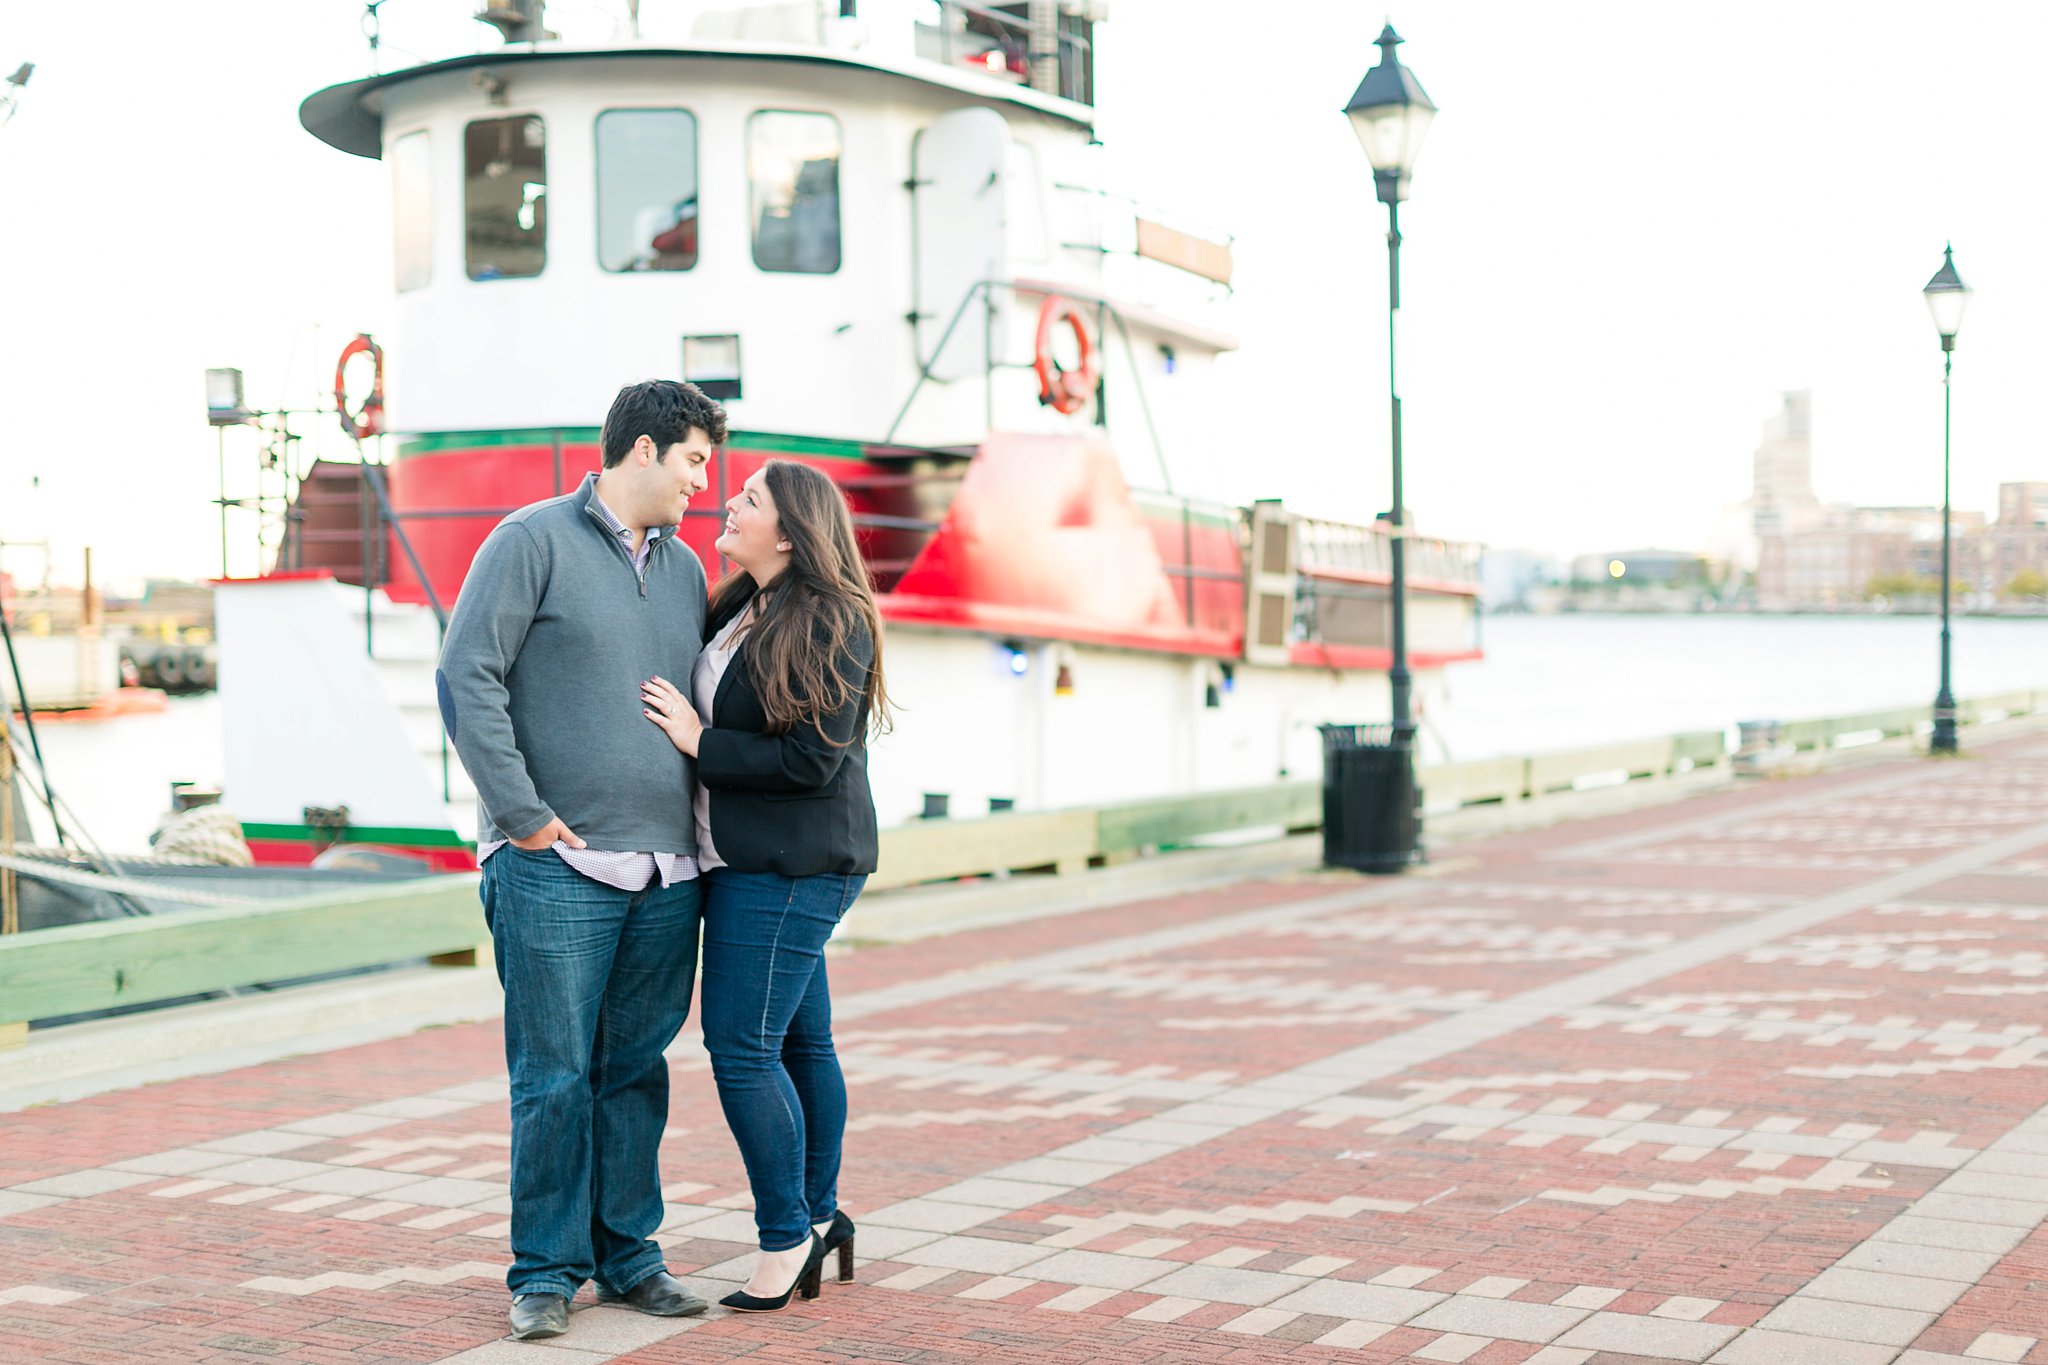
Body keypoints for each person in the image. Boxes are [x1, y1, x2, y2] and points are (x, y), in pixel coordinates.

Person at [437, 379, 727, 1342]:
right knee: (553, 1074)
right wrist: (520, 815)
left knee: (635, 1070)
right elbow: (465, 671)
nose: (702, 480)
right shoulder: (530, 540)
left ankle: (630, 1256)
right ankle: (546, 1272)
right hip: (557, 865)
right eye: (692, 460)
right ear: (642, 452)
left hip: (666, 873)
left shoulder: (685, 570)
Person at [640, 458, 888, 1312]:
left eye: (748, 498)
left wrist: (696, 741)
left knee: (740, 1048)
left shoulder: (832, 617)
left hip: (790, 866)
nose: (728, 503)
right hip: (745, 859)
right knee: (799, 1043)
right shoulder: (745, 603)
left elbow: (811, 759)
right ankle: (819, 1216)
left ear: (789, 530)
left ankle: (786, 1236)